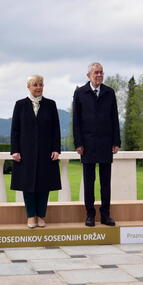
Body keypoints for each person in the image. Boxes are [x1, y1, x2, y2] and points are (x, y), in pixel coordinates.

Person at [72, 62, 121, 227]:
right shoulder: (80, 93)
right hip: (87, 144)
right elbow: (76, 121)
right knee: (89, 182)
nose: (99, 75)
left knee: (105, 183)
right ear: (89, 76)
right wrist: (78, 143)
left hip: (106, 143)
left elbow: (114, 118)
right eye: (96, 73)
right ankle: (90, 214)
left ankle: (106, 215)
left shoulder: (109, 92)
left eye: (101, 72)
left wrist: (116, 141)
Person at [10, 75, 62, 228]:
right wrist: (15, 150)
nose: (38, 87)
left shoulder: (51, 105)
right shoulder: (20, 105)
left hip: (46, 152)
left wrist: (56, 149)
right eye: (35, 85)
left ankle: (41, 215)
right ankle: (31, 215)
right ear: (28, 87)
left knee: (44, 185)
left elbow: (56, 130)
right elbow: (15, 130)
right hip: (26, 153)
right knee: (28, 185)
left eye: (41, 84)